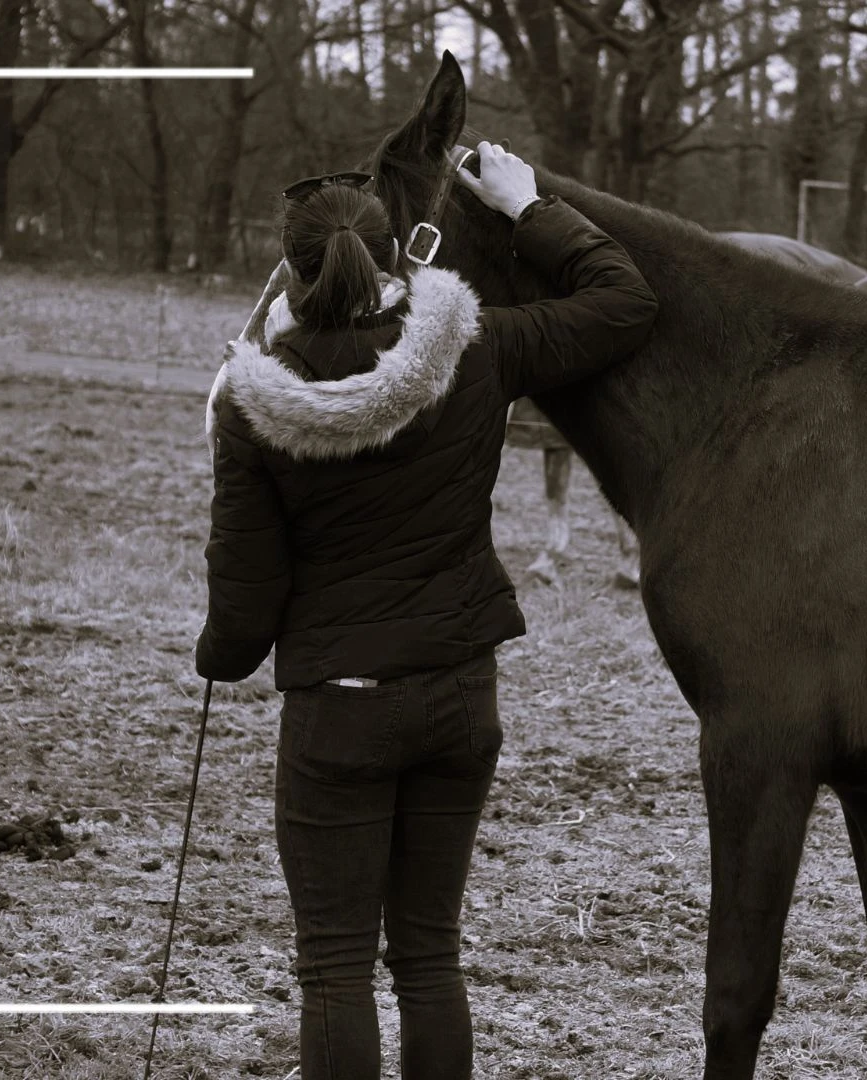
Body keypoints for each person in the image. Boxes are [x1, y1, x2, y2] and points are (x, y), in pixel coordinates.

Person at [194, 141, 657, 1079]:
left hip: (339, 712)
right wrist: (530, 207)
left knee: (334, 970)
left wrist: (216, 655)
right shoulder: (477, 350)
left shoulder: (254, 406)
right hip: (459, 700)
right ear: (398, 258)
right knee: (430, 960)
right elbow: (625, 299)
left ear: (290, 276)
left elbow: (241, 627)